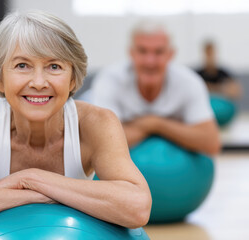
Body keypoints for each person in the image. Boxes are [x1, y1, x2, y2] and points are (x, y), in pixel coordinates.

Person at [0, 11, 151, 229]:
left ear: (72, 80)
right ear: (0, 79)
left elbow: (137, 207)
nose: (39, 82)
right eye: (22, 65)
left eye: (54, 66)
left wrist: (31, 178)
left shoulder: (96, 122)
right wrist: (46, 195)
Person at [90, 21, 221, 154]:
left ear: (170, 54)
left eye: (158, 52)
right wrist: (158, 128)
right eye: (142, 51)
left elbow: (211, 143)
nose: (150, 61)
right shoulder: (109, 80)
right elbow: (99, 141)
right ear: (131, 53)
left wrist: (156, 123)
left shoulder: (189, 82)